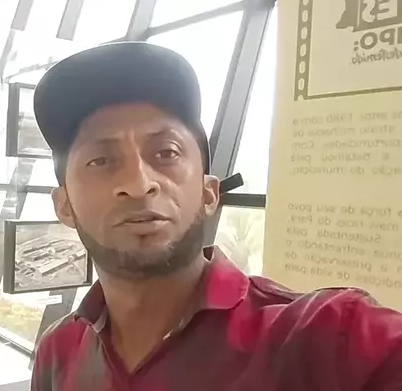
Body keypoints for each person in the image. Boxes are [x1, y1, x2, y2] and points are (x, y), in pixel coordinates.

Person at [30, 42, 402, 390]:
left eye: (167, 153)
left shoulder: (327, 338)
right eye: (100, 160)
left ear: (210, 193)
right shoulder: (60, 350)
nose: (139, 184)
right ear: (65, 205)